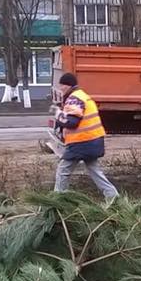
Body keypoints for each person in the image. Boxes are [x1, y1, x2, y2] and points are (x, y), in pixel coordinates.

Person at [52, 72, 119, 203]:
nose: (61, 89)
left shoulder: (74, 99)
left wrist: (57, 114)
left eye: (62, 86)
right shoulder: (83, 96)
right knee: (94, 170)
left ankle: (57, 201)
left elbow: (72, 122)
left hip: (82, 142)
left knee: (63, 170)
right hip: (93, 140)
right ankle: (113, 197)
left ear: (68, 85)